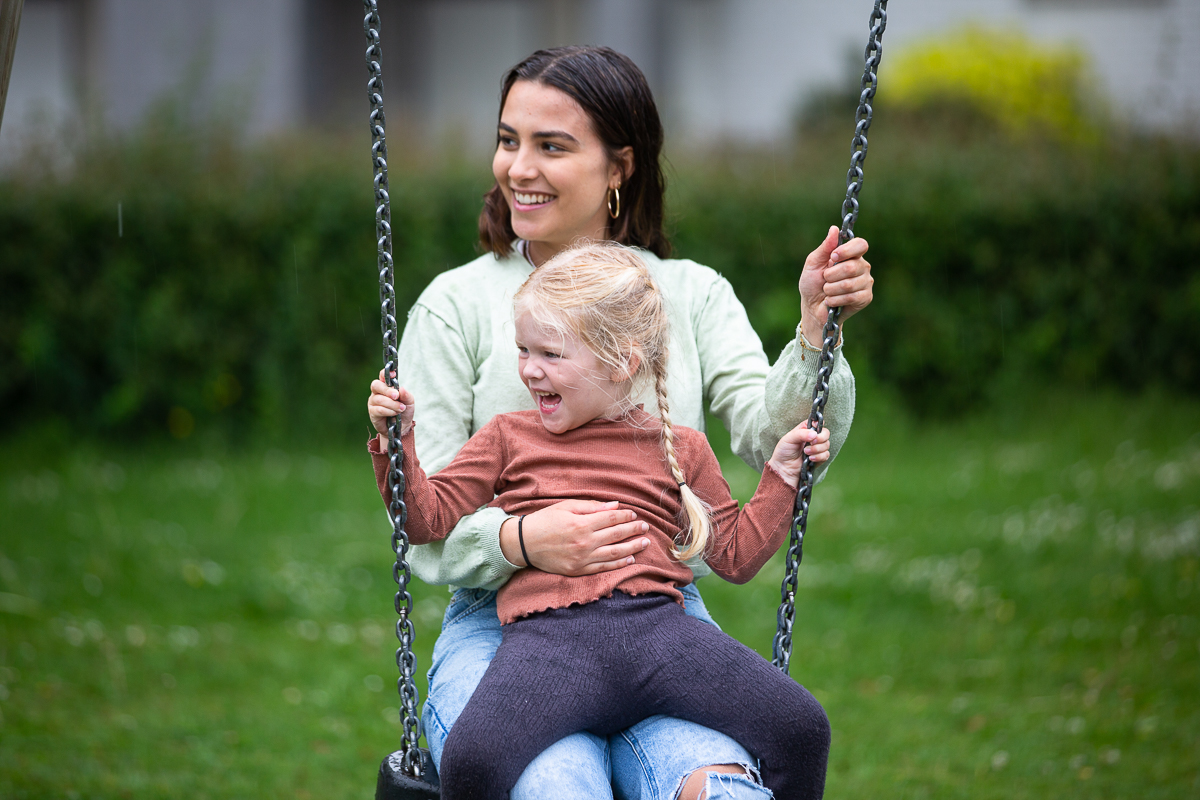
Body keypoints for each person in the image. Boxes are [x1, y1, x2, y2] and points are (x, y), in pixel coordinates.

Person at [383, 45, 873, 800]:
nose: (518, 167)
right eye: (508, 140)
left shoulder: (690, 293)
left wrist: (814, 331)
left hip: (664, 609)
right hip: (501, 620)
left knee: (724, 790)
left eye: (552, 145)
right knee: (555, 786)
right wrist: (522, 538)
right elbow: (425, 514)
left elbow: (773, 436)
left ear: (620, 167)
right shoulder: (455, 303)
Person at [369, 243, 834, 800]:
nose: (529, 369)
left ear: (622, 361)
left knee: (804, 729)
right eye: (522, 350)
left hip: (662, 637)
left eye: (550, 354)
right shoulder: (507, 437)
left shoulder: (679, 448)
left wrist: (781, 476)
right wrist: (397, 445)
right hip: (547, 646)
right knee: (472, 761)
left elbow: (734, 556)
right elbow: (425, 520)